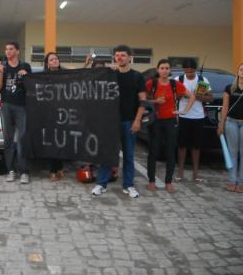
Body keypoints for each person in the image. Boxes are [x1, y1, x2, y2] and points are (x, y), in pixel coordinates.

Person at [91, 45, 146, 198]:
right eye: (117, 55)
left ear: (129, 57)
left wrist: (137, 121)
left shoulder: (137, 76)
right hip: (110, 122)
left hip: (129, 121)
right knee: (108, 154)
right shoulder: (110, 75)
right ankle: (101, 184)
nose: (119, 58)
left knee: (128, 155)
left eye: (123, 55)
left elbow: (143, 101)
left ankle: (128, 185)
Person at [145, 59, 196, 193]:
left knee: (170, 152)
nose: (164, 70)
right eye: (162, 68)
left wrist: (185, 111)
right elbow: (141, 98)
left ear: (169, 71)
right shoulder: (152, 83)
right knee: (153, 151)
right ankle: (151, 181)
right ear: (158, 70)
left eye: (167, 68)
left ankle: (168, 182)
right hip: (155, 120)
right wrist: (155, 101)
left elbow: (192, 97)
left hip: (171, 121)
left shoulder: (175, 84)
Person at [0, 42, 32, 184]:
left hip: (21, 106)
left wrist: (27, 76)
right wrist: (1, 73)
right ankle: (11, 170)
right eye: (6, 49)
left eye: (11, 49)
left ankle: (24, 171)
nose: (8, 51)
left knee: (22, 138)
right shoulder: (3, 66)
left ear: (17, 52)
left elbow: (31, 87)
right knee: (8, 139)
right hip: (6, 105)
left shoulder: (25, 66)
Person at [176, 59, 213, 183]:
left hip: (198, 116)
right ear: (184, 70)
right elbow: (174, 96)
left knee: (196, 146)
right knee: (182, 145)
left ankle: (195, 174)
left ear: (195, 69)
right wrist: (183, 95)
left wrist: (200, 96)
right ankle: (180, 173)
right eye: (186, 70)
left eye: (191, 70)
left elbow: (210, 97)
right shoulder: (179, 80)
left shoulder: (202, 80)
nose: (189, 72)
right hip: (183, 116)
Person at [218, 63, 243, 193]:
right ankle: (232, 181)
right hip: (231, 122)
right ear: (237, 72)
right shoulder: (229, 88)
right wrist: (221, 124)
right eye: (241, 69)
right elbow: (225, 108)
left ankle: (241, 182)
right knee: (232, 153)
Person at [43, 52, 66, 181]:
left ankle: (60, 168)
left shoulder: (65, 73)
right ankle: (53, 170)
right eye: (52, 60)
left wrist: (86, 63)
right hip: (49, 113)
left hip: (64, 113)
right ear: (47, 63)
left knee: (61, 141)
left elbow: (78, 74)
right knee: (53, 142)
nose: (55, 61)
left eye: (56, 59)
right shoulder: (43, 76)